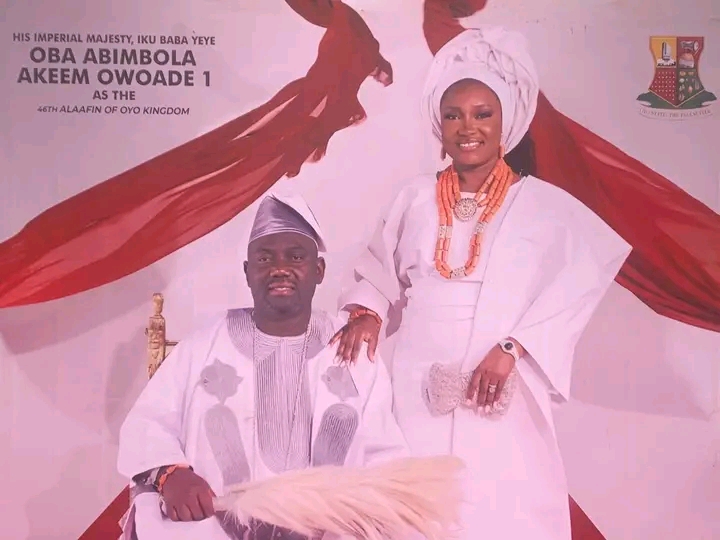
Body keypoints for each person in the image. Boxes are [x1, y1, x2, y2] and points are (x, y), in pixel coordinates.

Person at [332, 26, 632, 540]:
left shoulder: (540, 205)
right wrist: (366, 311)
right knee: (414, 509)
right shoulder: (414, 198)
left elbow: (583, 278)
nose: (467, 128)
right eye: (454, 115)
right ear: (439, 124)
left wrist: (514, 347)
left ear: (505, 121)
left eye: (482, 114)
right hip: (418, 380)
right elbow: (379, 271)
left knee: (501, 508)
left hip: (497, 381)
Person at [117, 193, 409, 540]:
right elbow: (148, 423)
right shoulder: (203, 346)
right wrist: (171, 474)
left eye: (295, 257)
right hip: (216, 526)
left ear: (319, 271)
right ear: (247, 272)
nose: (279, 268)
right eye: (264, 258)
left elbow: (384, 455)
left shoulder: (352, 352)